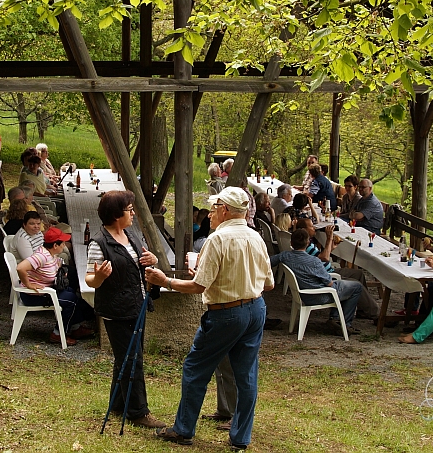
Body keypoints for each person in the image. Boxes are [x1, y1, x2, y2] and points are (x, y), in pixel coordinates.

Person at [145, 187, 274, 450]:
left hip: (226, 313)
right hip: (255, 308)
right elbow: (268, 283)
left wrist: (165, 280)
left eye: (214, 208)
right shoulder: (256, 237)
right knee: (246, 374)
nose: (210, 213)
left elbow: (198, 287)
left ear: (225, 210)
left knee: (195, 368)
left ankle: (183, 430)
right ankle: (240, 438)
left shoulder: (217, 239)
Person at [85, 190, 166, 429]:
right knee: (132, 359)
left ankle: (118, 404)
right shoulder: (99, 243)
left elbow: (137, 265)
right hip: (117, 310)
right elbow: (90, 279)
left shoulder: (130, 235)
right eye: (129, 210)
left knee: (126, 357)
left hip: (136, 305)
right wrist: (98, 277)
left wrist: (152, 261)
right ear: (116, 214)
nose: (132, 214)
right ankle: (138, 412)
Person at [274, 229, 363, 335]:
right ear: (308, 243)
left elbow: (267, 262)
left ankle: (335, 318)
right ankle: (345, 324)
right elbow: (329, 283)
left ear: (291, 243)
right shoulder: (315, 261)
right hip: (321, 296)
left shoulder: (284, 256)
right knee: (356, 286)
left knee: (345, 285)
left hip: (302, 295)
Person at [286, 218, 379, 319]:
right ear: (304, 230)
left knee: (358, 274)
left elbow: (321, 256)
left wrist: (331, 247)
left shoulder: (307, 243)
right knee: (356, 283)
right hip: (327, 275)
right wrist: (329, 238)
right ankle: (374, 313)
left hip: (328, 270)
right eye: (312, 227)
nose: (314, 228)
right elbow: (324, 258)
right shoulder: (306, 246)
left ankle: (363, 309)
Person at [16, 227, 93, 346]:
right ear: (55, 246)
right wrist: (28, 284)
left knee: (73, 293)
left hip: (48, 289)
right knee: (70, 300)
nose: (64, 245)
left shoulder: (51, 254)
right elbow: (20, 268)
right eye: (62, 243)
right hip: (34, 295)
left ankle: (74, 327)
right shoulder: (41, 256)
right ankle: (58, 334)